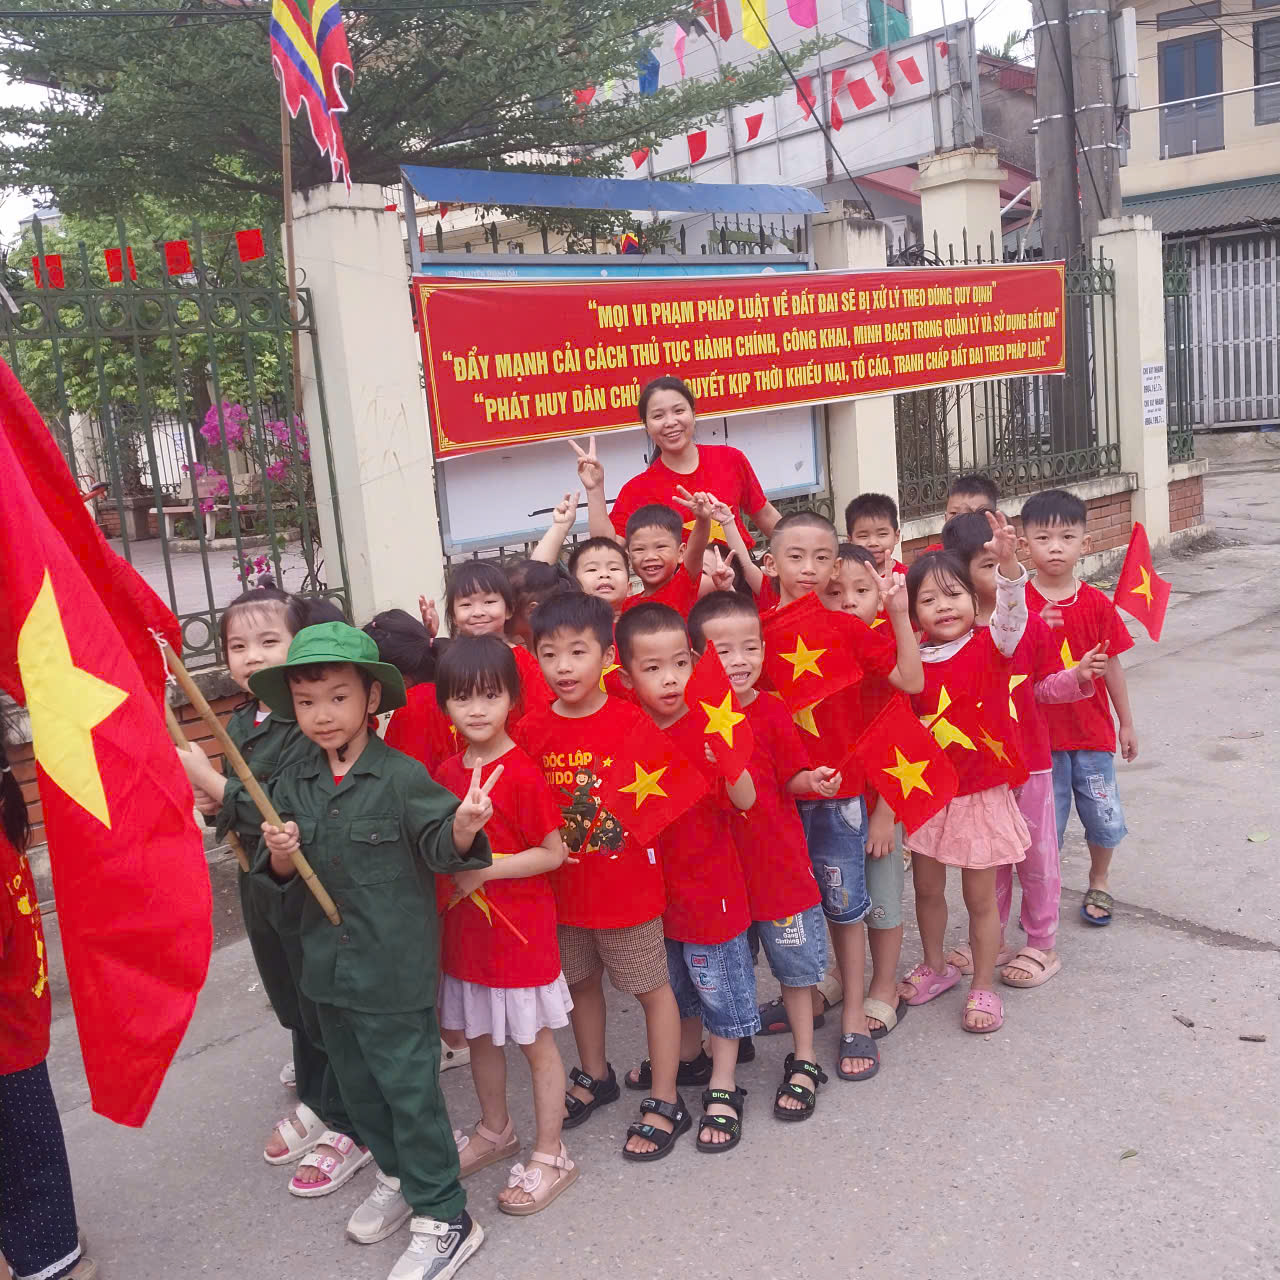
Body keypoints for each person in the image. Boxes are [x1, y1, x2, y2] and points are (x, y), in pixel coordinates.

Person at [253, 622, 493, 1280]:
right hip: (327, 971)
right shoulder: (292, 781)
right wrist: (280, 857)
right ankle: (398, 1175)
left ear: (371, 699)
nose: (322, 714)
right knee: (359, 1094)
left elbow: (442, 848)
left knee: (409, 1094)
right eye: (307, 702)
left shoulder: (401, 776)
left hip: (392, 969)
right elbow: (277, 883)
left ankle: (446, 1215)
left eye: (338, 697)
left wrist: (462, 827)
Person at [176, 583, 367, 1193]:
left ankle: (352, 1121)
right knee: (291, 995)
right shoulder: (239, 719)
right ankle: (317, 1097)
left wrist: (213, 781)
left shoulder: (306, 720)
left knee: (324, 998)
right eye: (238, 645)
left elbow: (282, 804)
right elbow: (237, 803)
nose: (252, 656)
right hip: (261, 880)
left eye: (268, 641)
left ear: (299, 644)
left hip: (306, 879)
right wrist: (214, 800)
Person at [513, 593, 684, 1160]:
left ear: (608, 657)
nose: (563, 667)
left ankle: (666, 1098)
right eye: (549, 654)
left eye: (577, 652)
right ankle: (595, 1074)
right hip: (563, 896)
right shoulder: (531, 729)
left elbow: (665, 799)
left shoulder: (632, 720)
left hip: (628, 894)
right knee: (581, 986)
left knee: (651, 991)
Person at [762, 512, 923, 1079]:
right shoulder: (756, 631)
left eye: (821, 558)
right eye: (795, 556)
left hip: (841, 798)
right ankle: (807, 996)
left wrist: (898, 613)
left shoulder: (848, 629)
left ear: (836, 564)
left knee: (847, 907)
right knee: (794, 908)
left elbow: (910, 682)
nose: (809, 568)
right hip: (781, 799)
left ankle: (853, 1013)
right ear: (771, 562)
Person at [434, 636, 578, 1215]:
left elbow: (553, 852)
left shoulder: (521, 773)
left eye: (490, 696)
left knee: (535, 1042)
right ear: (444, 703)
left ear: (512, 699)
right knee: (479, 1036)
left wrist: (484, 870)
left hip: (520, 934)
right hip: (466, 937)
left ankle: (551, 1152)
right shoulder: (445, 772)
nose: (477, 709)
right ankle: (496, 1130)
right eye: (463, 698)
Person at [688, 591, 837, 1120]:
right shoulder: (690, 719)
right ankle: (728, 1047)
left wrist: (811, 780)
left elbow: (789, 775)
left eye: (750, 647)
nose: (740, 660)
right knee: (728, 972)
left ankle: (805, 1056)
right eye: (723, 650)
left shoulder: (772, 709)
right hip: (720, 877)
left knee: (796, 970)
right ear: (697, 658)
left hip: (779, 870)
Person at [614, 604, 758, 1153]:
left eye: (680, 663)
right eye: (652, 668)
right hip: (653, 895)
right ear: (628, 677)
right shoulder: (629, 728)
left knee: (720, 987)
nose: (670, 678)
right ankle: (689, 1058)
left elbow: (746, 799)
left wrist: (728, 762)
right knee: (676, 988)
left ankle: (724, 1081)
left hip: (711, 889)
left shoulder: (711, 722)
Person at [941, 513, 1106, 987]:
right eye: (986, 566)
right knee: (989, 862)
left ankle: (1042, 943)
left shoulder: (1026, 626)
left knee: (1036, 859)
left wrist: (1075, 677)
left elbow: (1043, 687)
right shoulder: (950, 633)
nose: (996, 574)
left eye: (1003, 565)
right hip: (981, 772)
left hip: (1029, 763)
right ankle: (990, 940)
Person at [899, 514, 1030, 1035]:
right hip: (927, 795)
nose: (943, 606)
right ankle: (935, 967)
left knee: (980, 900)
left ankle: (982, 985)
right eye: (928, 600)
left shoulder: (992, 644)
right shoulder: (909, 660)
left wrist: (1008, 566)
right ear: (913, 612)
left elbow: (1013, 614)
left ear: (976, 601)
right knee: (927, 890)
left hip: (979, 794)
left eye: (953, 594)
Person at [0, 708, 96, 1280]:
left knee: (24, 1157)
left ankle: (48, 1260)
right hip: (18, 1032)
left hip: (8, 1045)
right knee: (28, 1152)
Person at [1021, 489, 1138, 926]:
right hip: (1038, 743)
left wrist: (1126, 723)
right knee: (1043, 829)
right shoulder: (1018, 605)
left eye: (1066, 537)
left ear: (1085, 544)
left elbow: (1114, 667)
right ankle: (1040, 897)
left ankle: (1099, 879)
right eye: (1043, 538)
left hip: (1093, 735)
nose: (1055, 547)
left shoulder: (1096, 604)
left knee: (1104, 819)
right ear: (1024, 544)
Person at [366, 609, 471, 1071]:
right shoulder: (448, 688)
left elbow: (405, 782)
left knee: (434, 943)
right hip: (464, 824)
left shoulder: (411, 709)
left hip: (434, 834)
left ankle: (451, 1038)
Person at [823, 544, 917, 1039]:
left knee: (881, 901)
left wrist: (886, 814)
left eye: (861, 590)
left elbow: (903, 739)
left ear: (879, 595)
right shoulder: (813, 651)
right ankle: (844, 976)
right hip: (832, 802)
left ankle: (884, 985)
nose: (847, 601)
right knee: (840, 898)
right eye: (834, 591)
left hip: (879, 801)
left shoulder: (882, 649)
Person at [573, 375, 781, 549]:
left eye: (679, 411)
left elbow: (765, 515)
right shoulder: (637, 490)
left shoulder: (730, 459)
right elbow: (607, 550)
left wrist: (796, 550)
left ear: (693, 414)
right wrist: (595, 490)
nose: (671, 422)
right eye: (658, 416)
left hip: (741, 580)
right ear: (647, 426)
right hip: (681, 585)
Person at [617, 497, 714, 617]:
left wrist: (703, 520)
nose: (650, 556)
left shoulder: (682, 587)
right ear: (629, 558)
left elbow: (696, 551)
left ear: (681, 552)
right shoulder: (626, 607)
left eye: (660, 547)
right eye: (639, 549)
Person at [844, 493, 908, 578]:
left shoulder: (907, 577)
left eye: (882, 534)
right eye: (863, 536)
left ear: (896, 536)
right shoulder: (843, 577)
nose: (873, 543)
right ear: (850, 540)